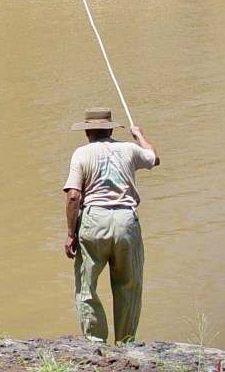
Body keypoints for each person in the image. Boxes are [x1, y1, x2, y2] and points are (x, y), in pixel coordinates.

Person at [63, 106, 160, 344]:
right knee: (129, 284)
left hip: (94, 220)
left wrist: (70, 234)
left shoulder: (81, 154)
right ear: (109, 128)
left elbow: (73, 195)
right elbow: (154, 159)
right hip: (126, 220)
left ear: (88, 132)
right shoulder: (129, 149)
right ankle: (126, 342)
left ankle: (95, 342)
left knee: (87, 286)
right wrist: (140, 137)